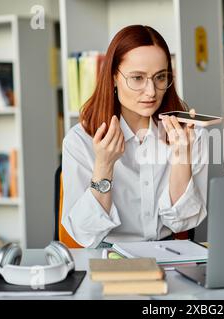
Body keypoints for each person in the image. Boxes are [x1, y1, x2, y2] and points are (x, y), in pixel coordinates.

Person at [61, 25, 209, 248]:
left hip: (169, 253)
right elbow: (84, 234)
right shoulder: (79, 140)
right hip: (106, 257)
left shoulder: (191, 135)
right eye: (137, 78)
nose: (151, 91)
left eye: (160, 77)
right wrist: (104, 166)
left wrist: (181, 159)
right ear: (113, 77)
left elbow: (183, 223)